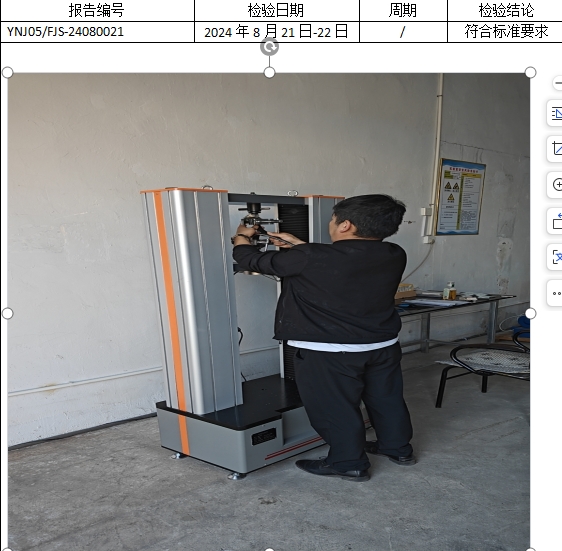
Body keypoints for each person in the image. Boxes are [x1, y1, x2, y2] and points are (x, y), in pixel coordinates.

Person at [231, 194, 415, 482]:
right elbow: (341, 262)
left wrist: (242, 237)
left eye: (332, 219)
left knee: (335, 407)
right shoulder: (394, 253)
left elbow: (250, 259)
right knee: (386, 400)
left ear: (345, 225)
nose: (331, 224)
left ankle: (348, 463)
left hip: (329, 352)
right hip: (382, 346)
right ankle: (397, 448)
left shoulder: (309, 258)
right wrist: (300, 247)